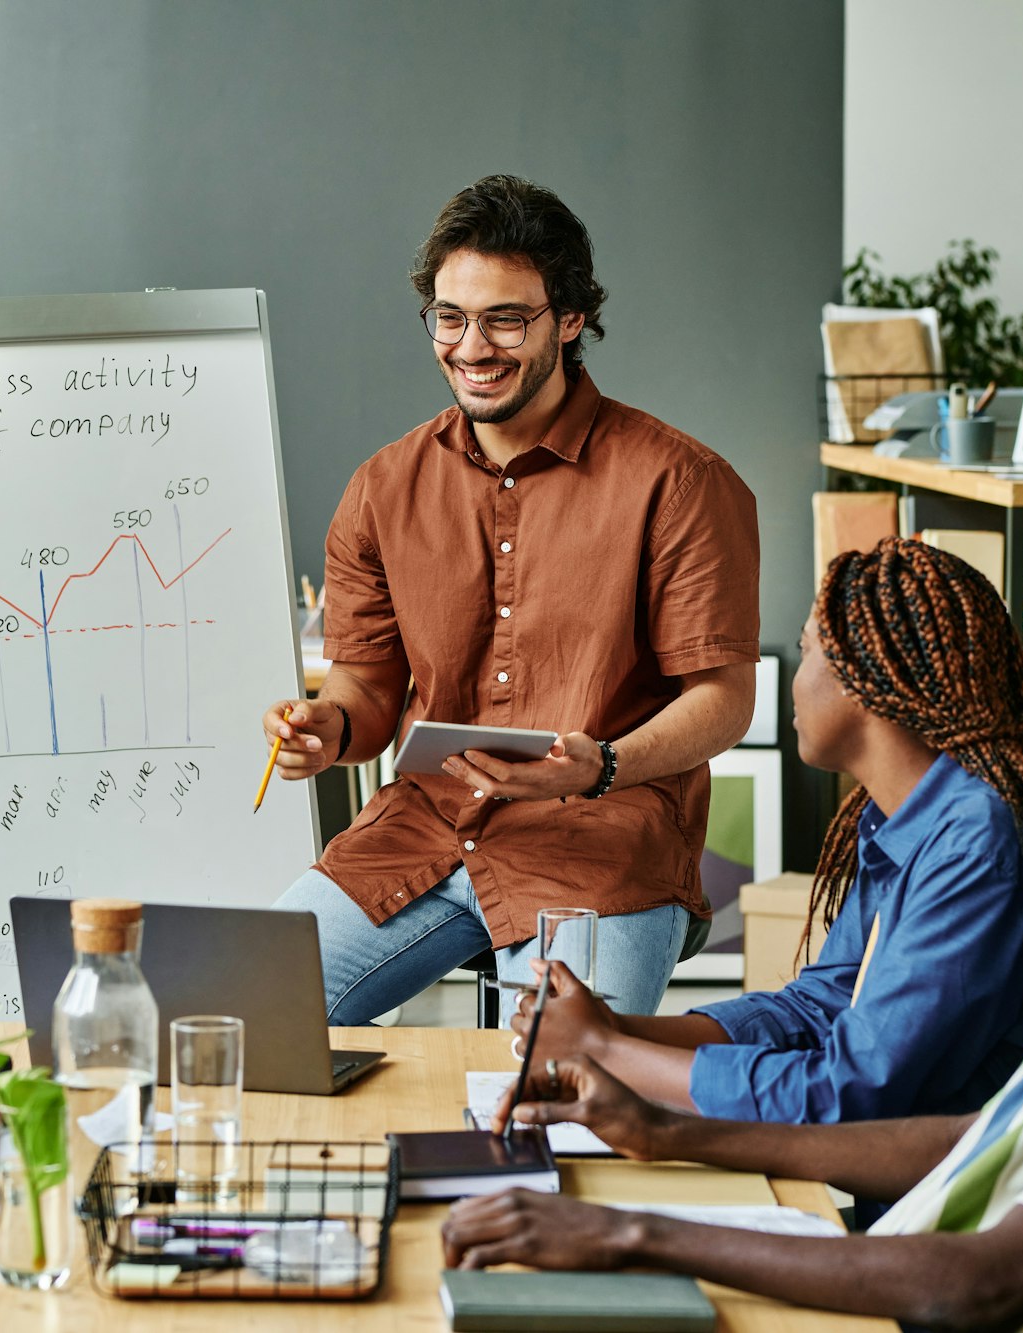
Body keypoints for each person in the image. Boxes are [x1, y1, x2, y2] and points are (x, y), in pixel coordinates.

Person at [454, 671, 1023, 1333]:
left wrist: (628, 1232)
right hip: (894, 1281)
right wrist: (665, 1134)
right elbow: (975, 1137)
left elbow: (986, 1284)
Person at [265, 174, 760, 1022]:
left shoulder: (681, 482)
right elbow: (367, 691)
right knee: (245, 1013)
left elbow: (722, 701)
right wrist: (329, 727)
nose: (471, 347)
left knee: (562, 1080)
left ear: (569, 320)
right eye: (450, 318)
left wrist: (600, 765)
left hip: (605, 838)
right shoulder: (383, 487)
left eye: (505, 319)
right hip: (423, 829)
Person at [516, 537, 1023, 1128]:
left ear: (864, 678)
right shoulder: (903, 819)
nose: (791, 675)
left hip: (929, 1203)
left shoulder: (977, 844)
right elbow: (819, 1009)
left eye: (804, 649)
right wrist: (613, 1029)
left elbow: (849, 1090)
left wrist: (609, 1054)